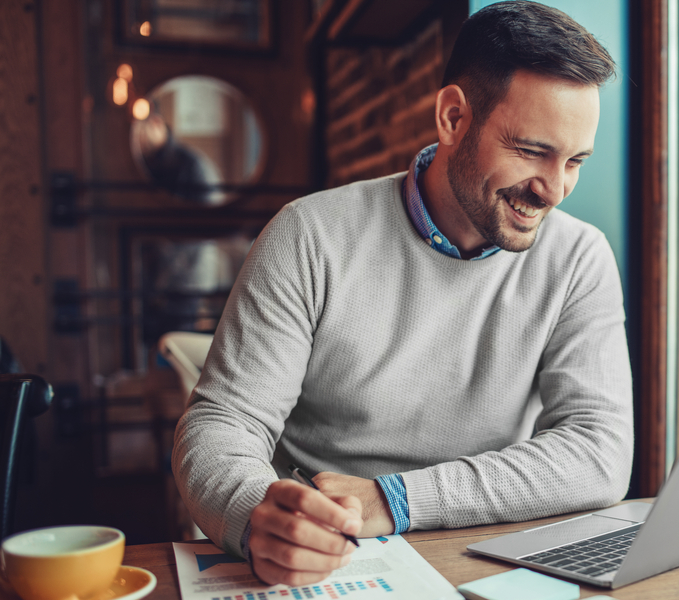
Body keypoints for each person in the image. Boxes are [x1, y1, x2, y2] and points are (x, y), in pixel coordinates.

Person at [172, 0, 633, 587]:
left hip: (489, 556)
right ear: (452, 117)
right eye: (532, 151)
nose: (555, 190)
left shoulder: (579, 258)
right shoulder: (309, 234)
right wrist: (256, 514)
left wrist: (393, 499)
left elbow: (599, 451)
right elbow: (222, 421)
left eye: (575, 161)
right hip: (332, 560)